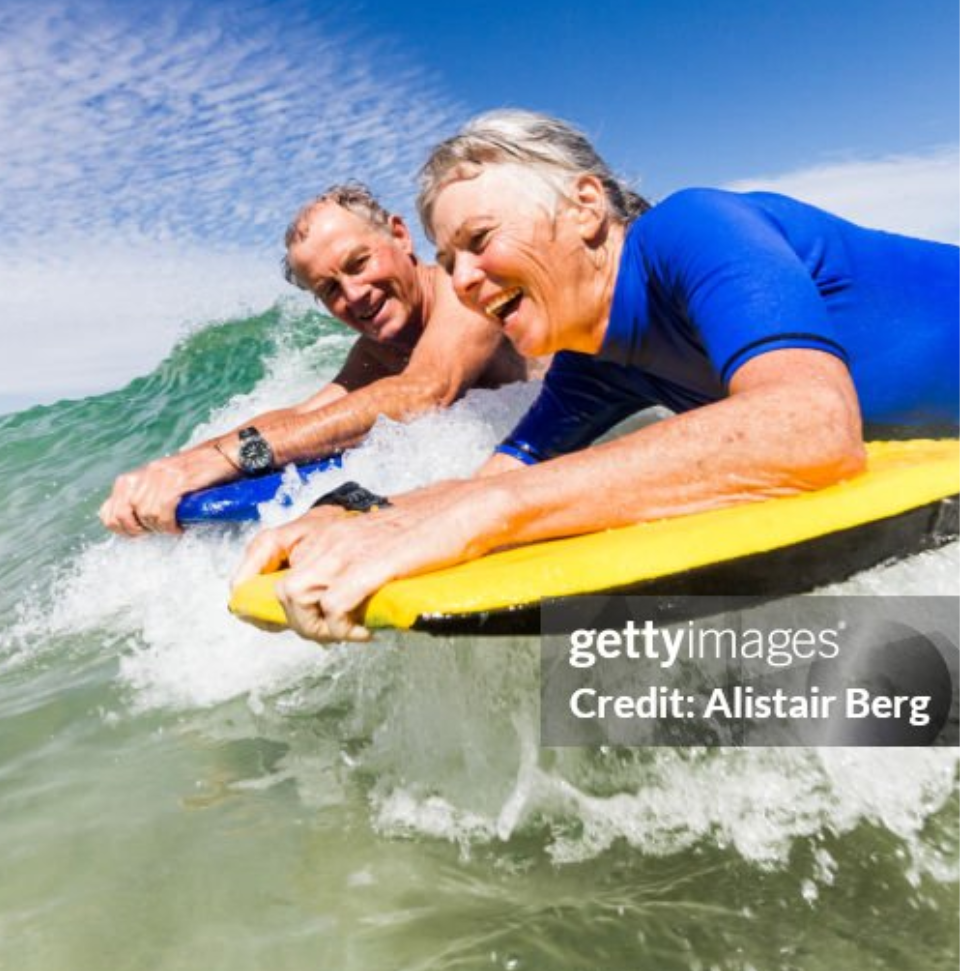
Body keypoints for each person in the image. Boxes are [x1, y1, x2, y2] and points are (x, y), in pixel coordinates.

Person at [233, 109, 959, 643]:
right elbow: (489, 485)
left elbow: (810, 428)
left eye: (479, 241)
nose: (463, 281)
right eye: (449, 262)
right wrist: (350, 515)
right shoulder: (595, 365)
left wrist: (488, 516)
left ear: (585, 206)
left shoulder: (692, 229)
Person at [99, 182, 528, 536]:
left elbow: (425, 390)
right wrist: (180, 466)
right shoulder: (378, 352)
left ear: (400, 235)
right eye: (330, 290)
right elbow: (303, 414)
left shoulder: (466, 289)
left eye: (359, 263)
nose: (355, 295)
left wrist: (227, 459)